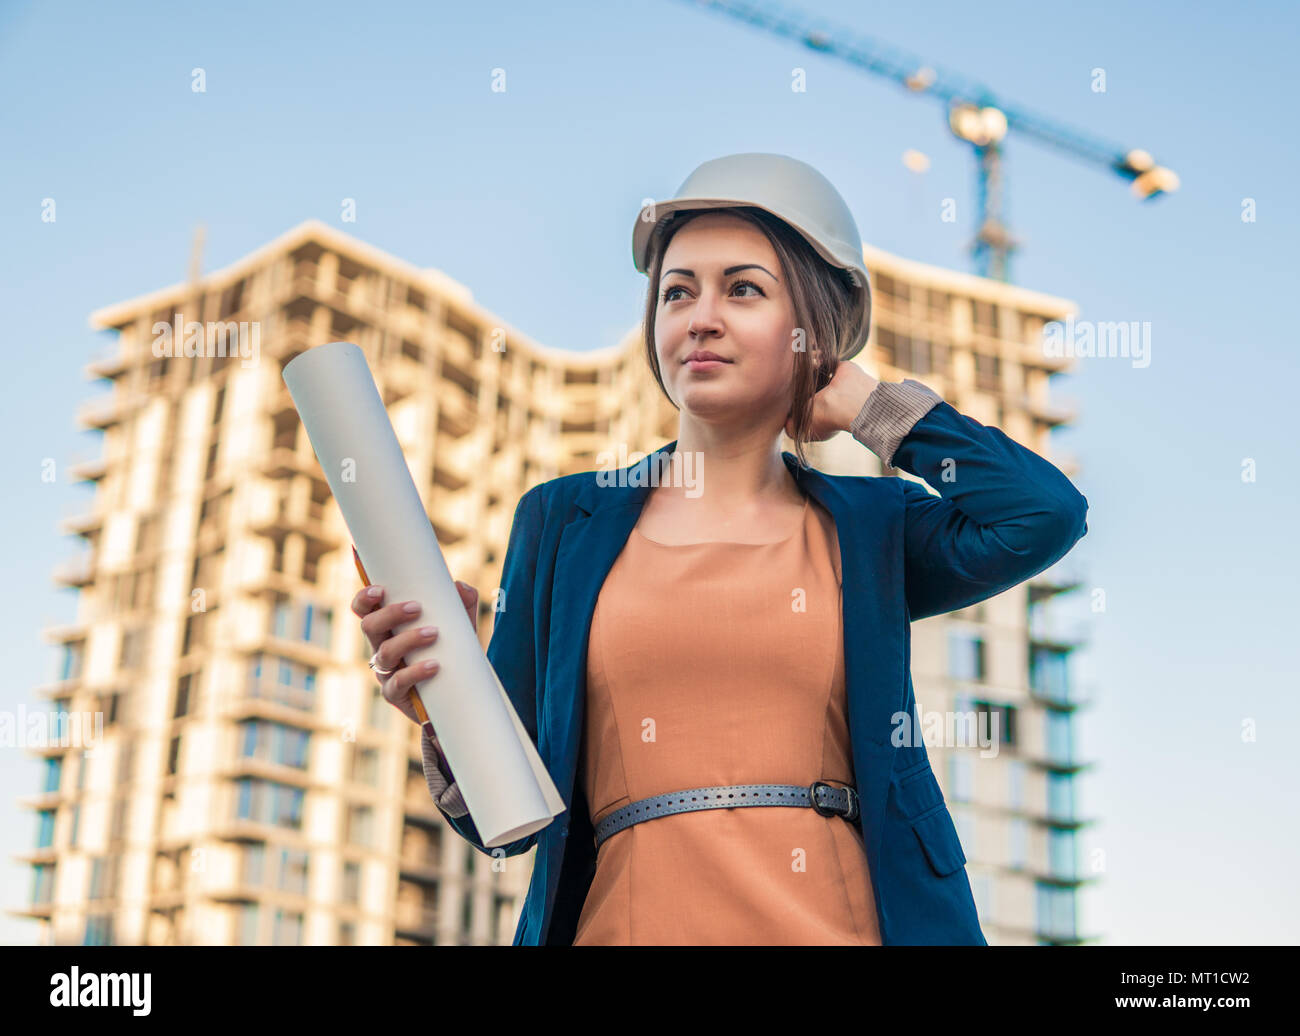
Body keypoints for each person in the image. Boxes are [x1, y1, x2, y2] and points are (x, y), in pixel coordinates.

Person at [352, 153, 1089, 945]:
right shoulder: (563, 522)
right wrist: (444, 705)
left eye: (743, 289)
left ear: (815, 328)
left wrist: (875, 409)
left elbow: (1040, 514)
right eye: (677, 291)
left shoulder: (874, 528)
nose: (700, 317)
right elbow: (504, 819)